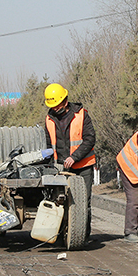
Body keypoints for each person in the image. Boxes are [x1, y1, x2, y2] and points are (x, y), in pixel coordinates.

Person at [43, 83, 96, 232]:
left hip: (83, 166)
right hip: (60, 168)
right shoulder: (49, 119)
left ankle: (82, 235)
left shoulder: (81, 114)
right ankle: (62, 234)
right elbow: (48, 144)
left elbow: (89, 139)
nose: (54, 108)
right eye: (52, 106)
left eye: (57, 105)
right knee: (60, 202)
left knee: (82, 203)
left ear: (65, 101)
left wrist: (75, 157)